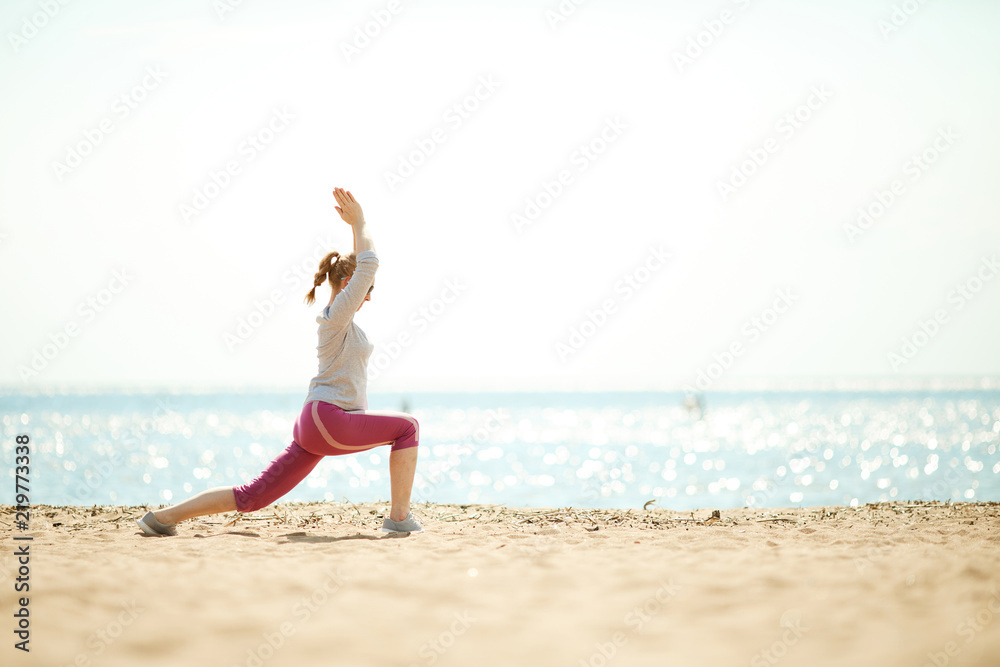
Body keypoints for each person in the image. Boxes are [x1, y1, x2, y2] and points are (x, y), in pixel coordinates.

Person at [137, 187, 423, 536]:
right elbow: (370, 263)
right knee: (408, 428)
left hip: (315, 423)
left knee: (253, 496)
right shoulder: (337, 317)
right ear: (350, 285)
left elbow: (364, 269)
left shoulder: (339, 320)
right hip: (330, 419)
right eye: (366, 291)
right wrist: (359, 222)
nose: (367, 298)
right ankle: (398, 519)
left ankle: (162, 518)